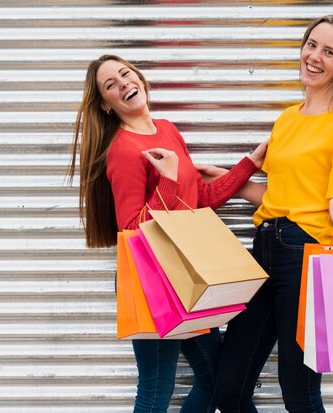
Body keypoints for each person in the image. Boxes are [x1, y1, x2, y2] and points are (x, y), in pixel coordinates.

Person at [68, 54, 267, 413]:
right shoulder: (122, 151)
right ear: (105, 104)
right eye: (110, 85)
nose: (123, 83)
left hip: (189, 275)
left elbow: (199, 200)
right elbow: (132, 228)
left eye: (125, 74)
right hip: (153, 281)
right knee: (156, 391)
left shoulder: (167, 129)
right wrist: (168, 178)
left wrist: (249, 163)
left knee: (212, 380)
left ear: (140, 79)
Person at [211, 15, 333, 412]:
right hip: (265, 247)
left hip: (306, 255)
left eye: (329, 51)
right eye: (311, 44)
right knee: (228, 388)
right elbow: (278, 196)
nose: (314, 56)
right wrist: (225, 178)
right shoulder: (287, 119)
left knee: (299, 390)